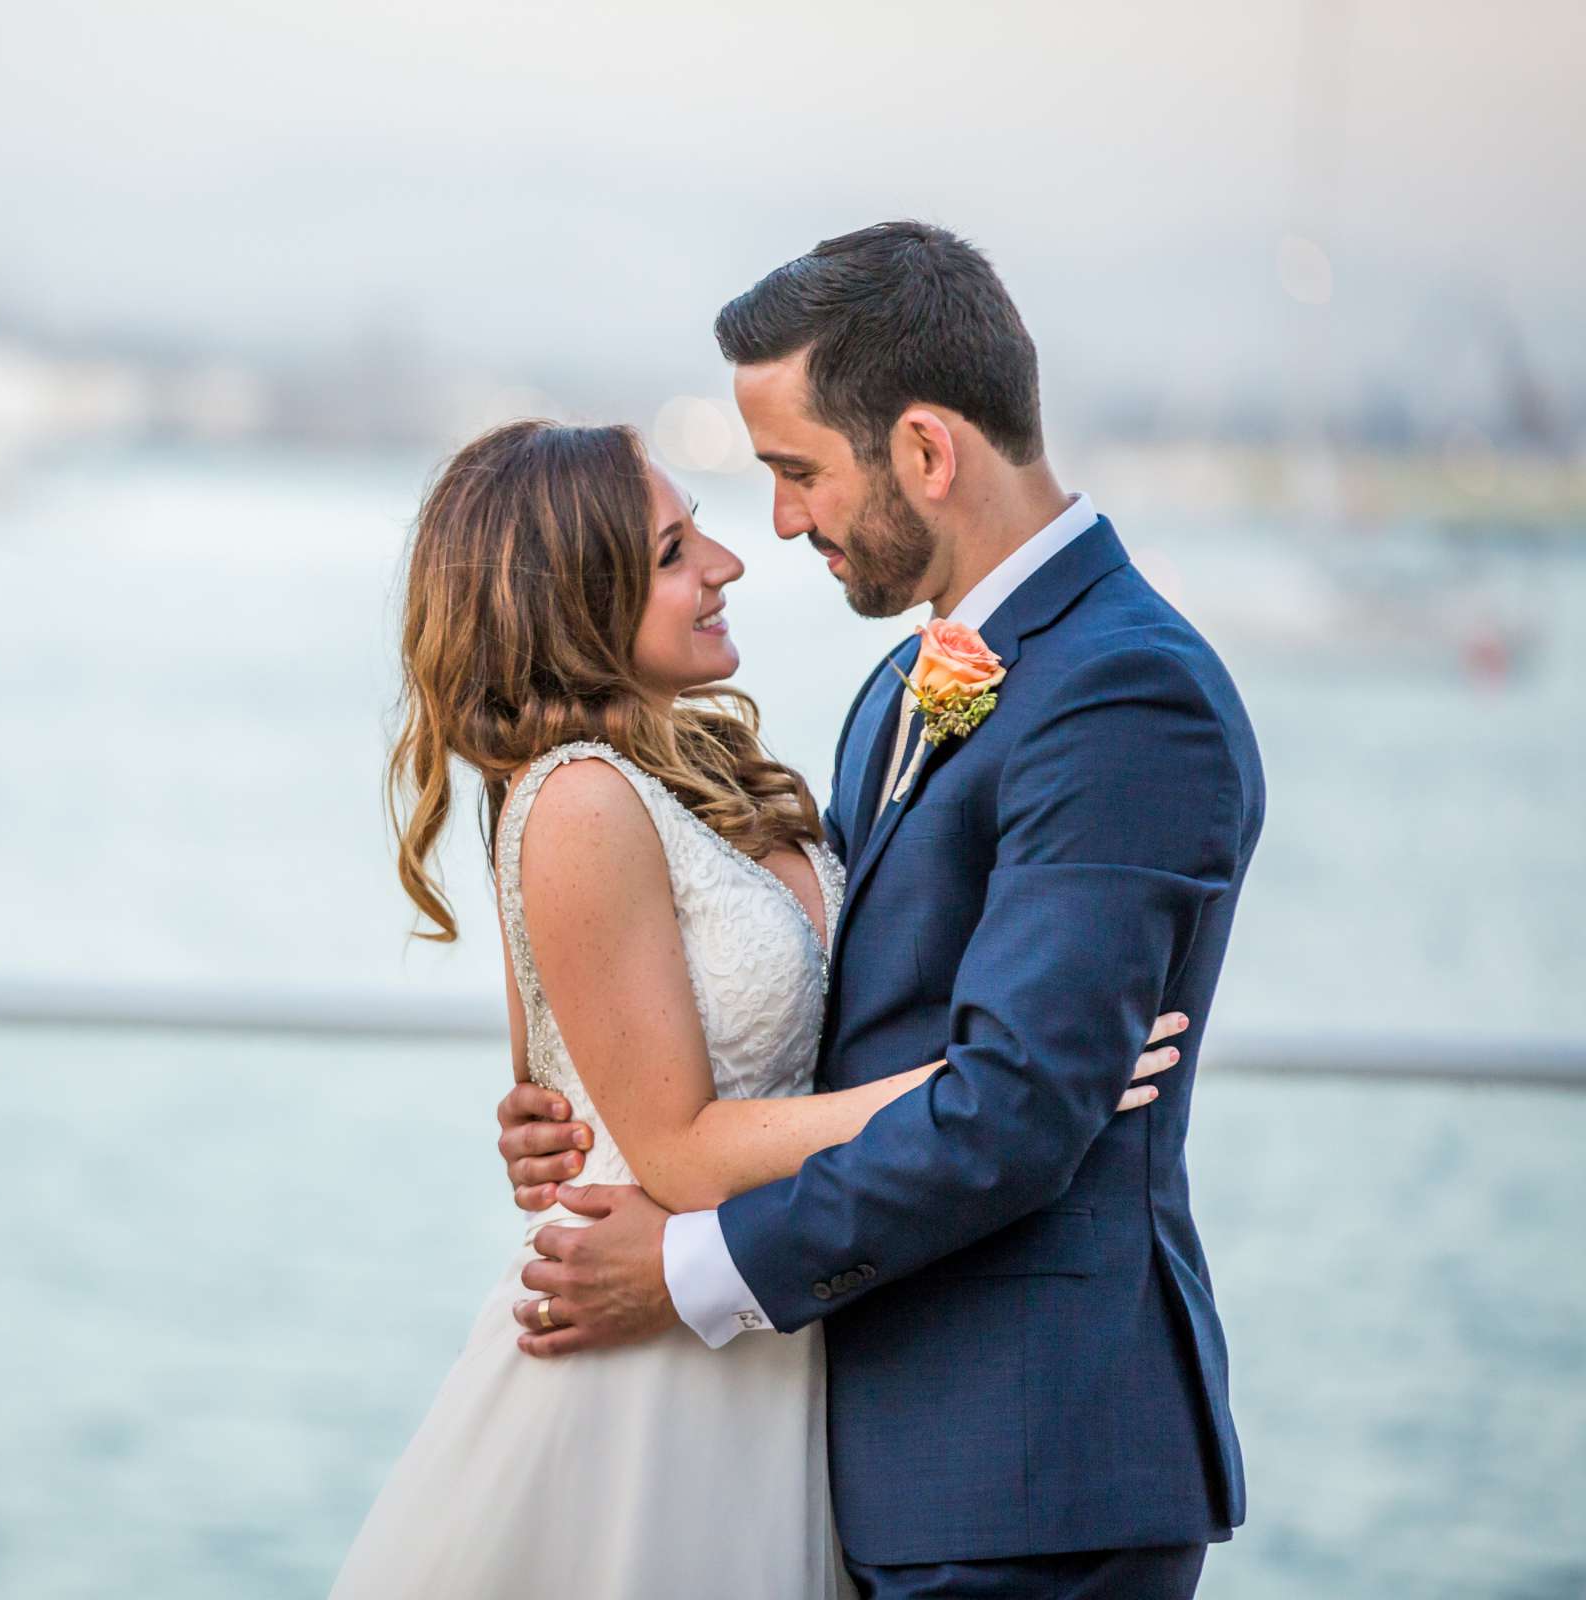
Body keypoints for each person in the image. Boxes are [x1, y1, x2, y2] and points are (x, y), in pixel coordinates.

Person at [491, 222, 1263, 1599]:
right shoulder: (902, 686)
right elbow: (839, 1008)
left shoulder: (1122, 692)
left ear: (924, 451)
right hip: (870, 1451)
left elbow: (1016, 1112)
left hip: (1031, 1475)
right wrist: (600, 1105)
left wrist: (686, 1268)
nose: (780, 523)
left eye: (797, 472)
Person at [330, 412, 1180, 1598]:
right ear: (578, 599)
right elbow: (667, 1143)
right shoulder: (575, 800)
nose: (728, 561)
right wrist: (970, 1091)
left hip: (771, 1349)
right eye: (676, 551)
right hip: (644, 1382)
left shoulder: (712, 773)